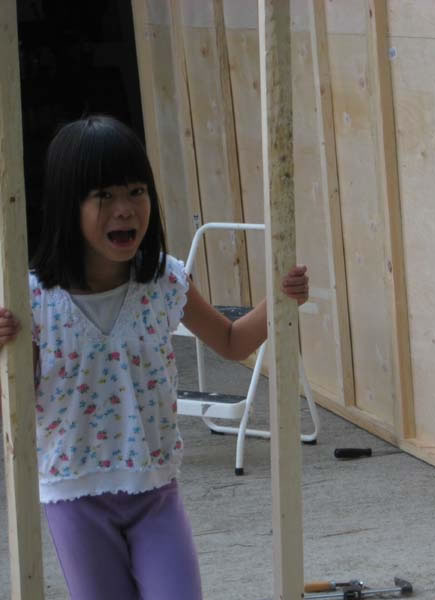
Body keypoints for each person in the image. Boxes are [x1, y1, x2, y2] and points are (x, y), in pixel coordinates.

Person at [0, 115, 309, 600]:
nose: (125, 209)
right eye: (104, 195)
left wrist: (282, 300)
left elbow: (232, 342)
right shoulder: (33, 299)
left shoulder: (163, 281)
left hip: (154, 491)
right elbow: (17, 398)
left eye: (137, 191)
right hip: (75, 495)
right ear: (66, 204)